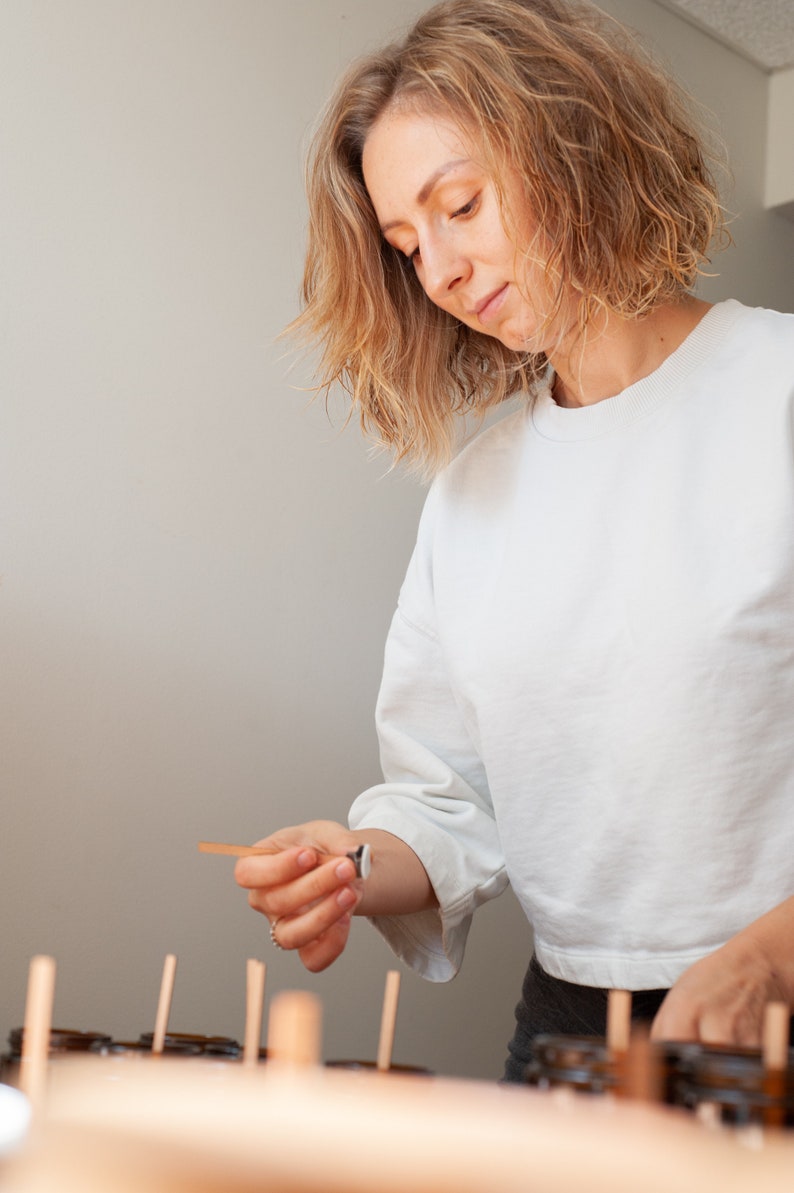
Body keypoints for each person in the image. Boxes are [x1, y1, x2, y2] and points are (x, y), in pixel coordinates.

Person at [235, 0, 794, 1081]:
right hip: (568, 1027)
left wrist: (767, 957)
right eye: (406, 244)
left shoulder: (775, 391)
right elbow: (448, 797)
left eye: (460, 205)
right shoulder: (473, 492)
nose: (438, 269)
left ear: (570, 147)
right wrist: (347, 862)